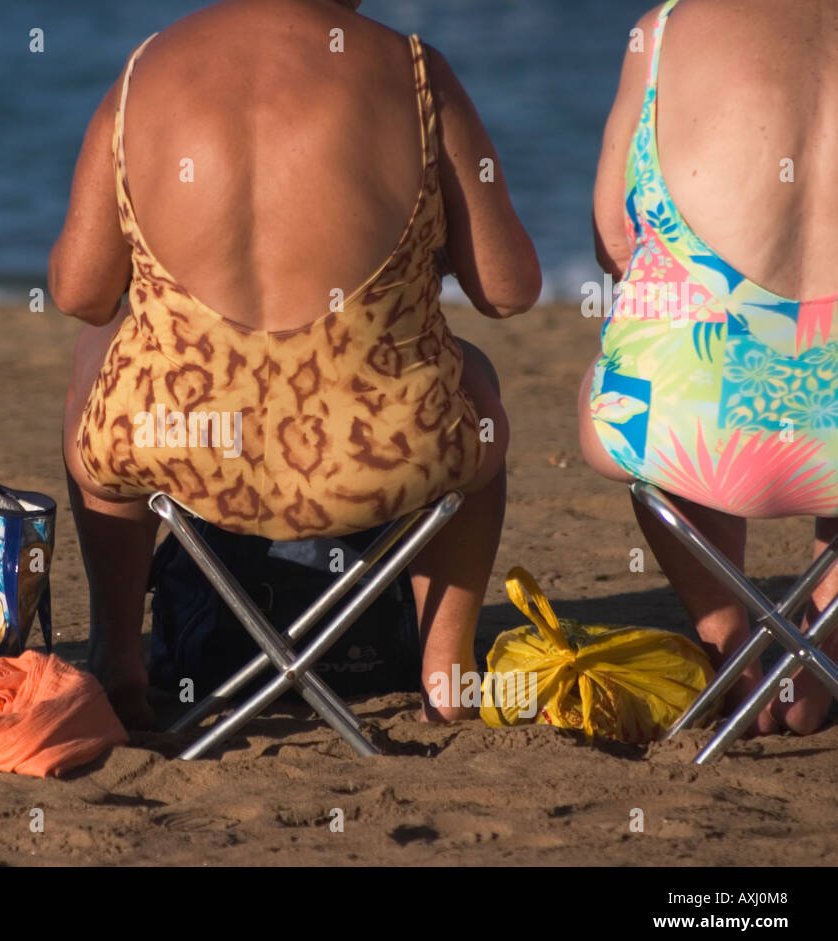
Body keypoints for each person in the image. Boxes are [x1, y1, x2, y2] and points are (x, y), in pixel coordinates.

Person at [51, 0, 539, 728]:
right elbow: (509, 290)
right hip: (382, 452)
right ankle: (447, 673)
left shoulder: (142, 73)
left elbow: (80, 294)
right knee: (476, 381)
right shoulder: (412, 72)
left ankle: (120, 658)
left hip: (184, 448)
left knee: (103, 355)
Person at [580, 0, 838, 735]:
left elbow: (613, 242)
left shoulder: (661, 34)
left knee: (658, 364)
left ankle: (730, 642)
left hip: (683, 435)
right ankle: (820, 654)